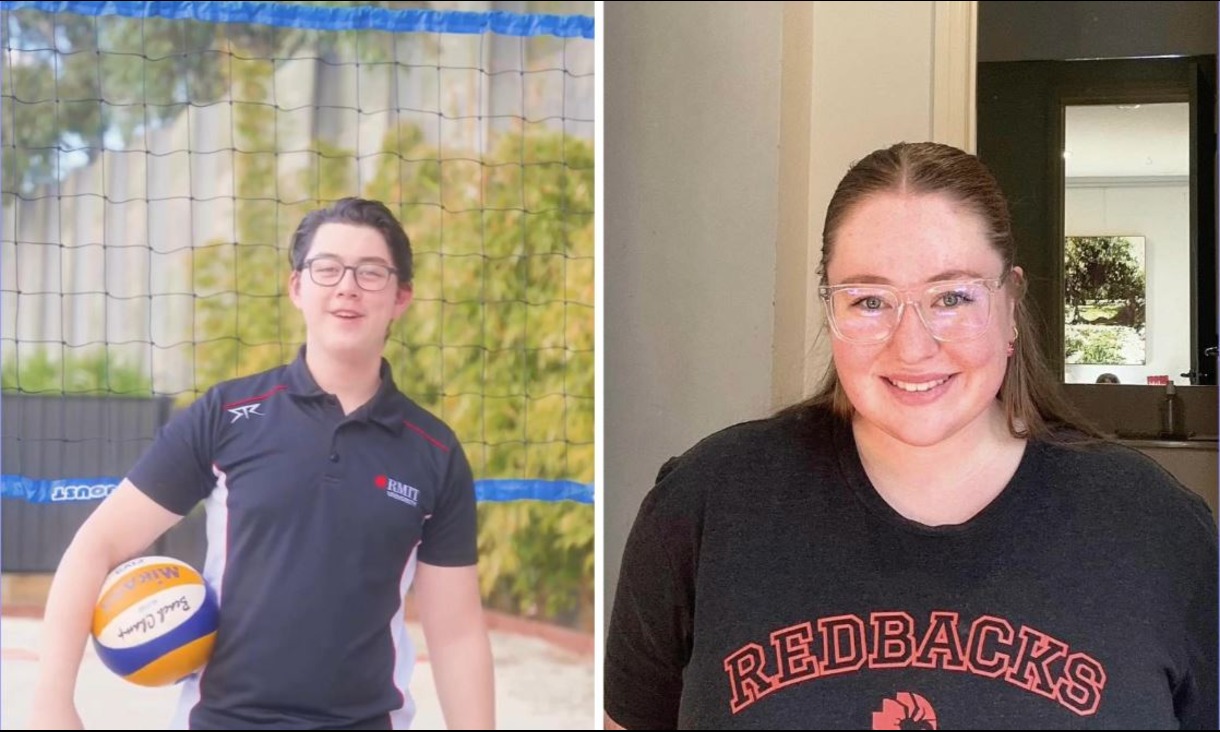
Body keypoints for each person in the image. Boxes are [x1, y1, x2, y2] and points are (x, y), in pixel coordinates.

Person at [604, 143, 1217, 729]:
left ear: (1010, 305)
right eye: (870, 301)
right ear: (831, 312)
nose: (913, 345)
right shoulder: (706, 504)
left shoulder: (1156, 529)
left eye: (951, 296)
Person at [30, 198, 496, 730]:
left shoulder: (434, 452)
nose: (347, 286)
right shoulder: (226, 415)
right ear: (298, 287)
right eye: (328, 268)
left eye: (371, 273)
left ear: (400, 297)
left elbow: (456, 633)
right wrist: (51, 703)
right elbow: (96, 546)